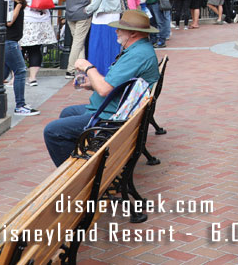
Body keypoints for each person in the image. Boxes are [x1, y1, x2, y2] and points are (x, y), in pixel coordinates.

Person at [43, 10, 161, 166]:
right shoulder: (139, 50)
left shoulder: (137, 54)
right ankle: (83, 159)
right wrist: (92, 84)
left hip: (110, 117)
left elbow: (105, 89)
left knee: (52, 131)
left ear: (133, 33)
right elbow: (115, 84)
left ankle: (79, 175)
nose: (116, 31)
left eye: (120, 28)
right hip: (112, 109)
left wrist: (88, 67)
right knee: (67, 113)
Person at [54, 0, 97, 76]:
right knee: (78, 42)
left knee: (79, 42)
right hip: (83, 14)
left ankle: (81, 68)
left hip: (70, 14)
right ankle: (71, 69)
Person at [4, 0, 38, 116]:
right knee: (20, 70)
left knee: (2, 75)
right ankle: (20, 105)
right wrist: (18, 4)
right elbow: (9, 21)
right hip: (8, 40)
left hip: (11, 40)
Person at [19, 0, 56, 87]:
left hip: (28, 19)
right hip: (42, 19)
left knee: (21, 48)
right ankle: (32, 78)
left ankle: (16, 77)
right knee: (35, 49)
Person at [85, 0, 123, 74]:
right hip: (114, 18)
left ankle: (97, 72)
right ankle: (112, 71)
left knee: (98, 48)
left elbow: (95, 4)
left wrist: (86, 10)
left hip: (101, 20)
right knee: (111, 47)